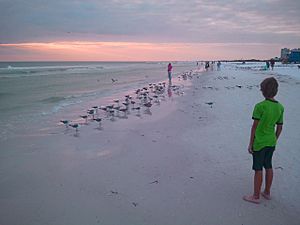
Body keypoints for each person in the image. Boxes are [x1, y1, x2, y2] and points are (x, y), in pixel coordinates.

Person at [243, 77, 284, 204]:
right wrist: (275, 139)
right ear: (276, 91)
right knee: (268, 165)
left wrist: (251, 143)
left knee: (258, 168)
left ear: (262, 91)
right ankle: (267, 192)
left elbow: (254, 127)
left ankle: (256, 196)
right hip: (271, 141)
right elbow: (280, 126)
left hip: (260, 142)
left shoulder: (260, 106)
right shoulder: (280, 107)